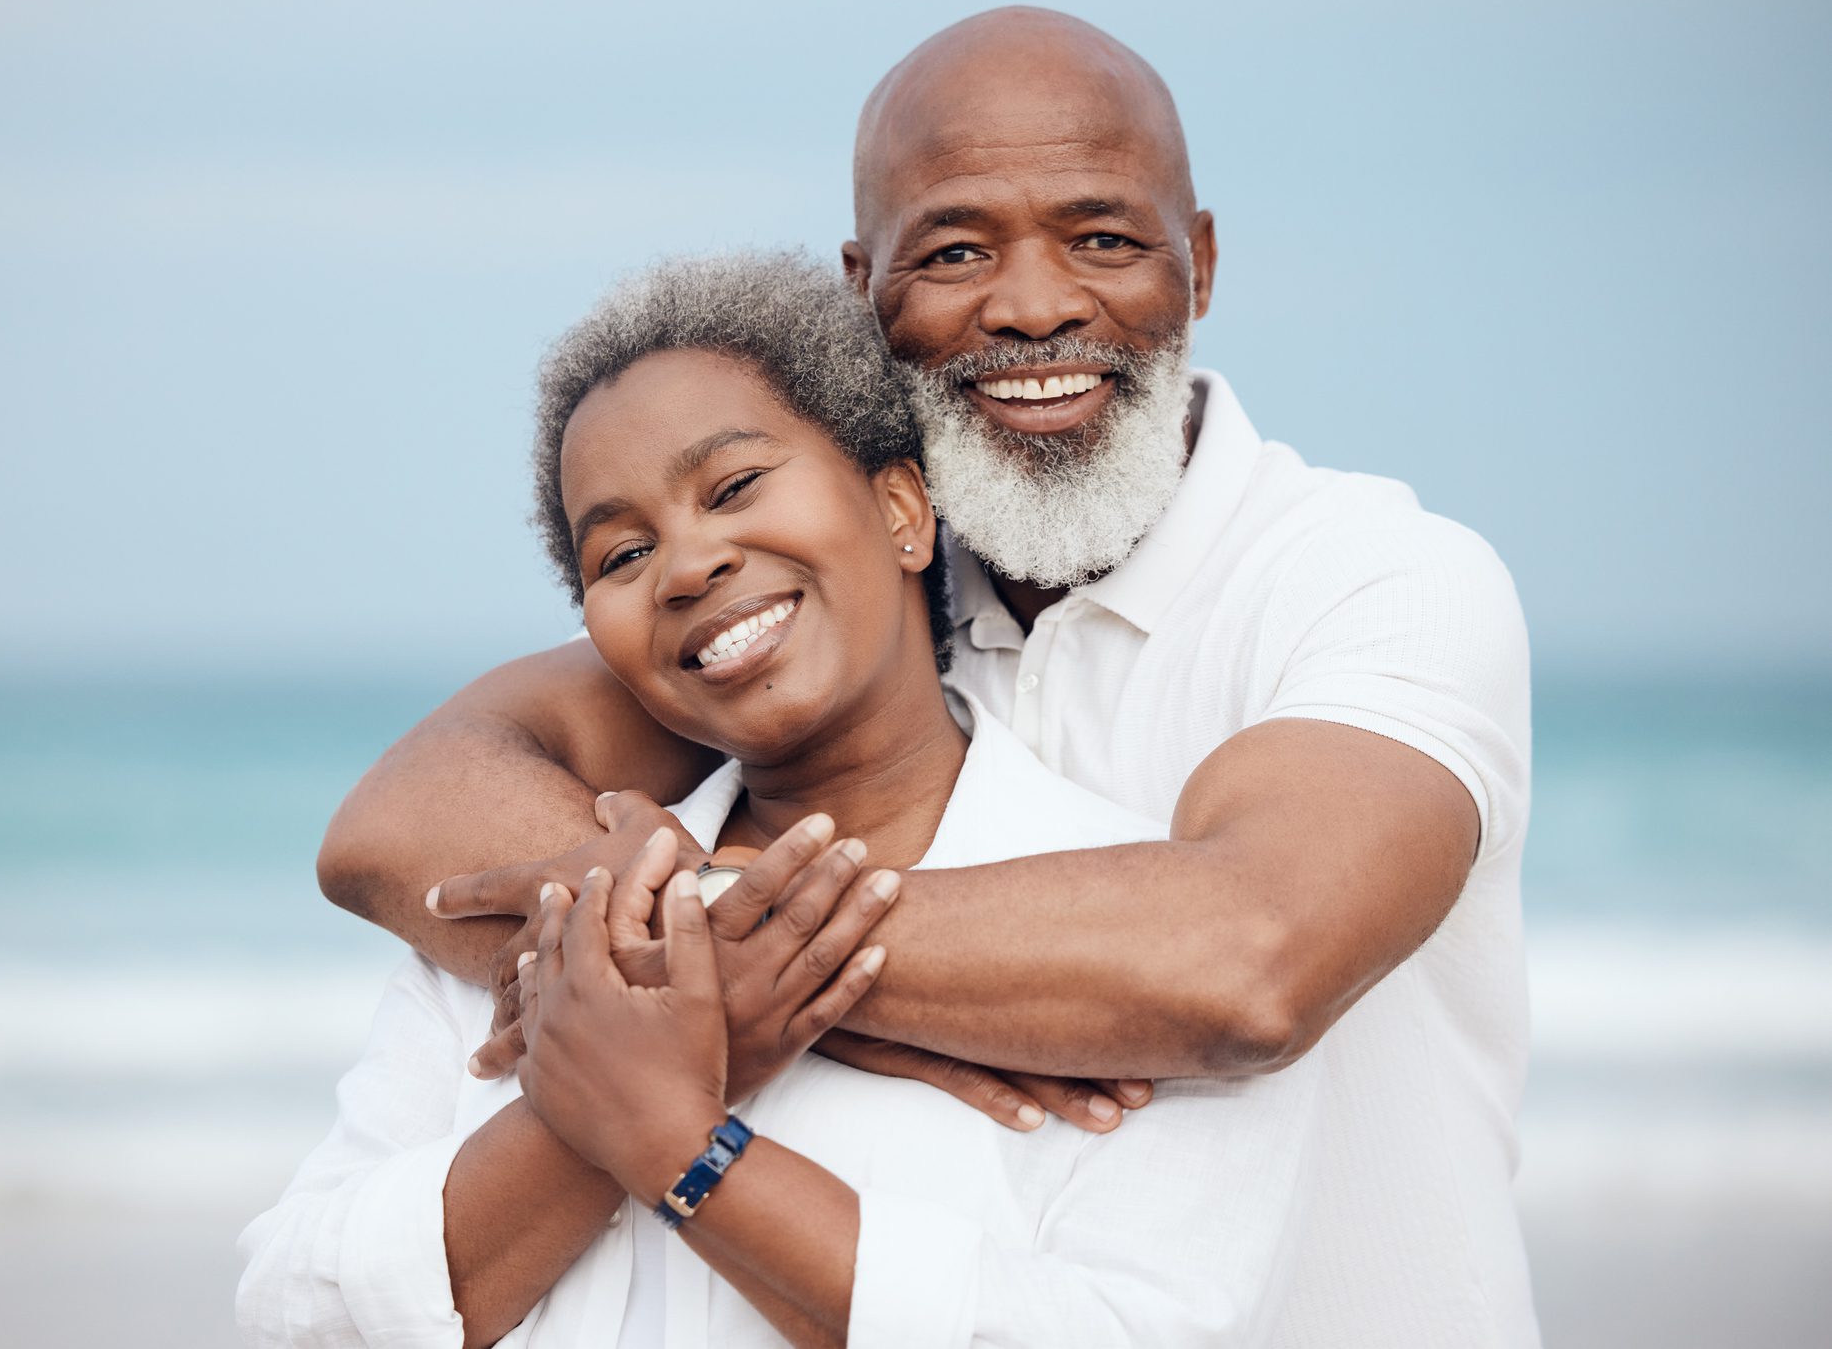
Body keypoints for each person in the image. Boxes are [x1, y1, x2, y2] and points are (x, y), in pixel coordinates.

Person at [319, 9, 1536, 1341]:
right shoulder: (842, 592)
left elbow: (1247, 959)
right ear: (862, 292)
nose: (1030, 305)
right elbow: (408, 817)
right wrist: (717, 984)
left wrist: (719, 972)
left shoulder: (1368, 576)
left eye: (1102, 238)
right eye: (953, 250)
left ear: (1194, 262)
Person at [239, 253, 1328, 1348]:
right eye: (620, 552)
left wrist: (680, 1142)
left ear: (903, 508)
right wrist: (596, 1107)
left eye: (733, 487)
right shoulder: (549, 919)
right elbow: (294, 1311)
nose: (684, 564)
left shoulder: (1124, 951)